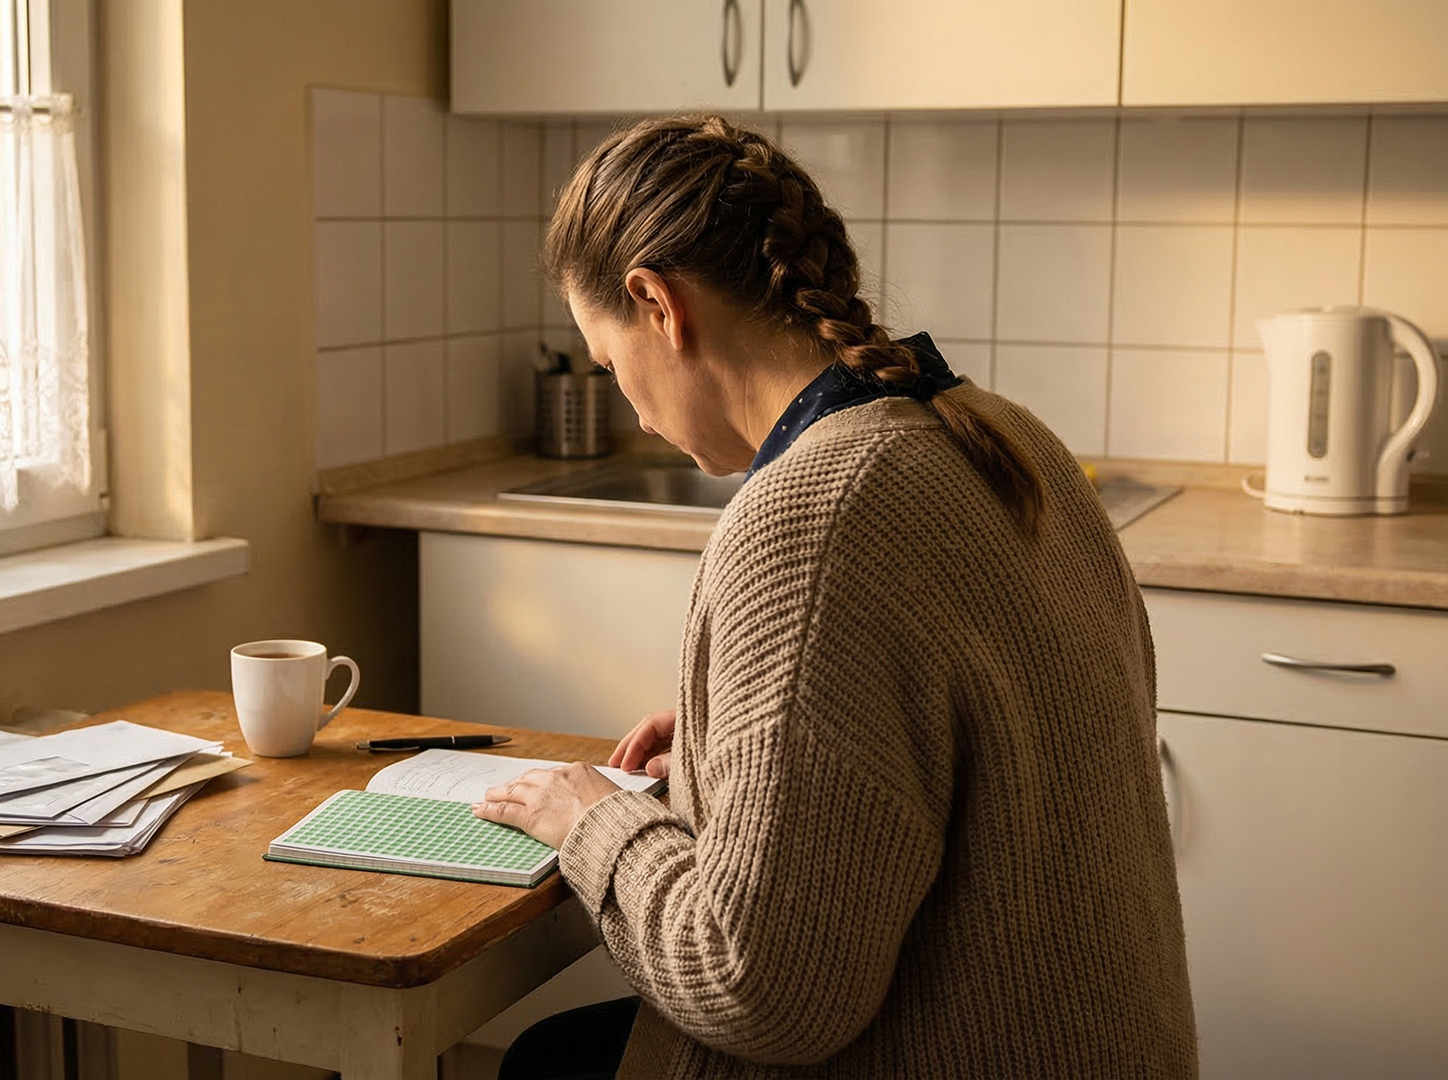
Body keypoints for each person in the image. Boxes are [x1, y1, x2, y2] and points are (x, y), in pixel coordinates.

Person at [471, 114, 1197, 1080]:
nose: (632, 412)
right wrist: (744, 751)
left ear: (657, 303)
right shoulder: (1002, 431)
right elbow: (972, 748)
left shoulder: (810, 516)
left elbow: (755, 990)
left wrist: (594, 821)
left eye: (610, 366)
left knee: (537, 1063)